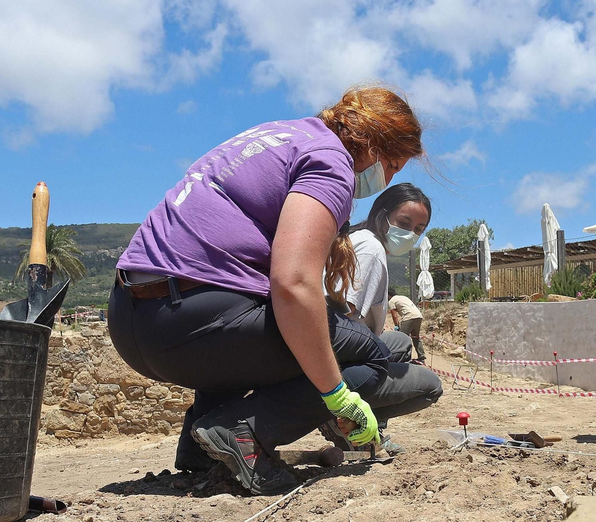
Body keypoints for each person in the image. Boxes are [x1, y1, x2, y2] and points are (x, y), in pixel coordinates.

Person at [109, 86, 434, 495]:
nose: (386, 178)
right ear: (369, 144)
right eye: (391, 165)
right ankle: (239, 433)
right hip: (188, 320)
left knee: (256, 321)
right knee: (372, 354)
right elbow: (294, 282)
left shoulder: (281, 134)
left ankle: (201, 451)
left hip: (131, 319)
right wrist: (337, 397)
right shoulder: (332, 161)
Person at [344, 184, 433, 366]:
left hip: (352, 339)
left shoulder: (361, 239)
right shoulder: (371, 249)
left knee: (401, 342)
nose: (410, 234)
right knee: (428, 383)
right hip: (343, 347)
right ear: (382, 214)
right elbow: (341, 314)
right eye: (403, 223)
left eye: (418, 229)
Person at [386, 290, 426, 362]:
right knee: (415, 337)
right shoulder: (402, 297)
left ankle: (403, 358)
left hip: (408, 317)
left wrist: (397, 326)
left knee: (402, 338)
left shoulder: (391, 301)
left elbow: (394, 316)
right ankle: (421, 355)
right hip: (418, 316)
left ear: (388, 296)